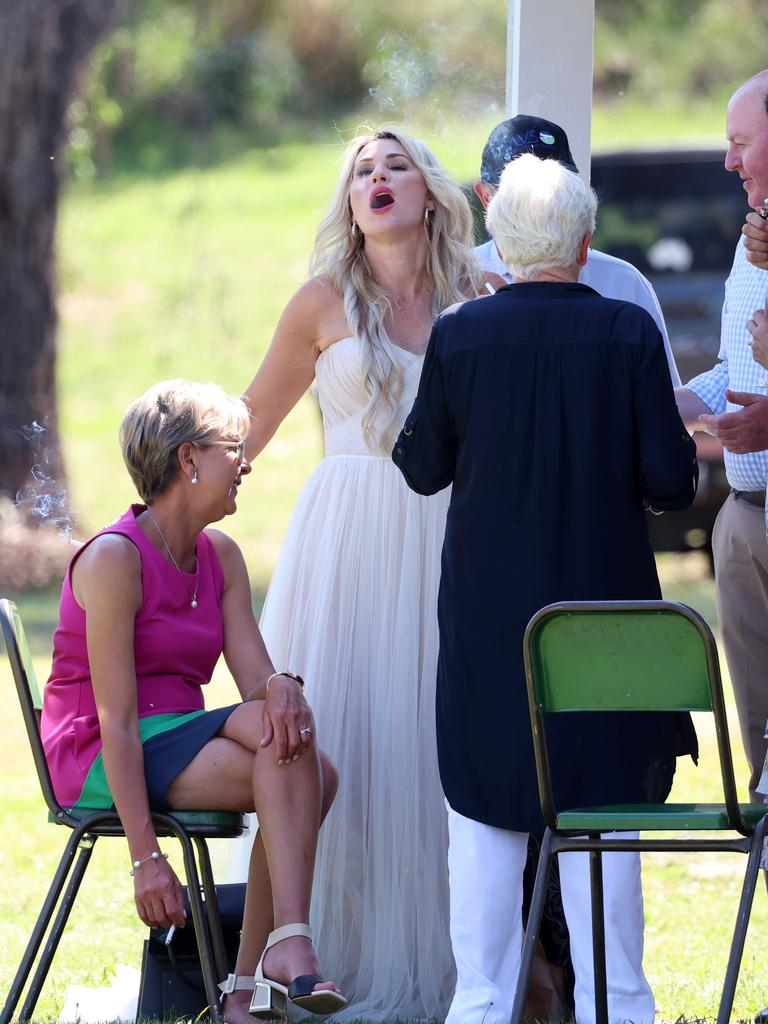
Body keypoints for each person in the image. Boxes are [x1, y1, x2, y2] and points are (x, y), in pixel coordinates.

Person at [393, 153, 698, 1024]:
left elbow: (421, 467)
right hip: (606, 627)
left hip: (493, 623)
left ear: (499, 243)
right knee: (603, 826)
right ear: (586, 241)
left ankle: (484, 1005)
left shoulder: (459, 335)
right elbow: (670, 482)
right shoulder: (628, 332)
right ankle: (617, 1009)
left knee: (487, 825)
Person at [227, 130, 489, 1021]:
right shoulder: (319, 303)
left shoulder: (476, 298)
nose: (378, 179)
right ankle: (257, 976)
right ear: (349, 204)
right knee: (326, 744)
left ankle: (453, 964)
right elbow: (243, 433)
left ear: (430, 193)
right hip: (345, 542)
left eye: (396, 165)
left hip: (451, 539)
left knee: (427, 747)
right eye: (361, 172)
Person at [40, 380, 345, 1024]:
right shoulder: (114, 560)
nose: (247, 462)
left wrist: (281, 687)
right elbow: (118, 724)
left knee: (293, 746)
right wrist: (147, 859)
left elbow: (256, 677)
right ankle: (261, 972)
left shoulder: (222, 556)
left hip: (178, 733)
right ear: (189, 460)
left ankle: (260, 971)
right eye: (234, 447)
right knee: (301, 768)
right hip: (100, 751)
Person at [676, 70, 768, 805]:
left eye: (741, 143)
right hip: (741, 515)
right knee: (760, 730)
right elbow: (735, 365)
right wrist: (673, 401)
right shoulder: (749, 242)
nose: (729, 162)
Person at [472, 113, 682, 386]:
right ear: (486, 197)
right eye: (516, 191)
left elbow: (663, 400)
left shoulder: (623, 280)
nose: (542, 200)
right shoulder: (459, 276)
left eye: (557, 187)